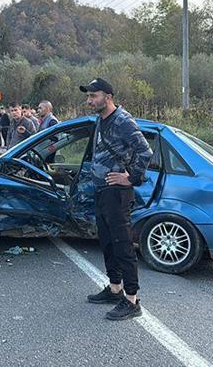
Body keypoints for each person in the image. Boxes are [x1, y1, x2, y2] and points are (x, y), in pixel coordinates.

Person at [80, 78, 152, 321]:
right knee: (108, 242)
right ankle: (114, 289)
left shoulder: (123, 121)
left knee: (122, 245)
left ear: (107, 97)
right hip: (102, 190)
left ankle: (132, 300)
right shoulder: (101, 120)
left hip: (117, 193)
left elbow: (145, 151)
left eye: (94, 96)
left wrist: (131, 178)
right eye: (88, 96)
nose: (89, 100)